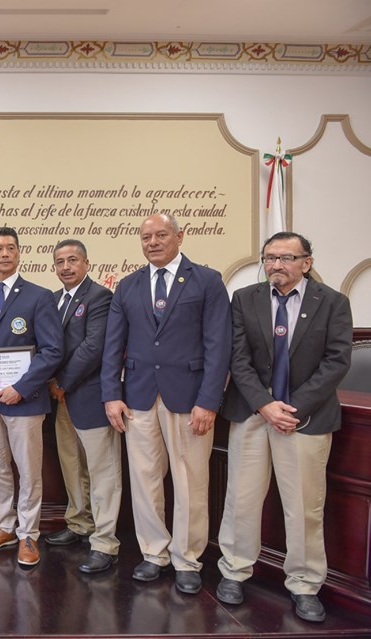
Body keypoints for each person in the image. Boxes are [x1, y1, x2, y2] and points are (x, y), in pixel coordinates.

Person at [216, 232, 352, 623]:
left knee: (304, 507)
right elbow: (237, 358)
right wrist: (265, 404)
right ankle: (234, 570)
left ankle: (305, 585)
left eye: (286, 258)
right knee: (241, 500)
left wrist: (292, 408)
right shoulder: (245, 299)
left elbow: (337, 361)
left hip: (304, 420)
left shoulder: (332, 303)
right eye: (270, 257)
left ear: (306, 262)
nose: (276, 265)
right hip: (252, 414)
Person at [101, 213, 231, 594]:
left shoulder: (206, 280)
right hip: (138, 397)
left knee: (191, 481)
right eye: (146, 237)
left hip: (189, 399)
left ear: (180, 236)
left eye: (161, 235)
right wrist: (111, 394)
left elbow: (219, 345)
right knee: (144, 480)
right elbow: (113, 345)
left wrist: (209, 401)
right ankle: (153, 553)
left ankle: (187, 559)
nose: (153, 242)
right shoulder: (128, 285)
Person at [0, 227, 64, 567]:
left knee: (28, 469)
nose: (4, 253)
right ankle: (5, 526)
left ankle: (28, 534)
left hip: (25, 400)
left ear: (19, 254)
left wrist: (21, 387)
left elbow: (53, 351)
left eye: (10, 248)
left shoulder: (39, 296)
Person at [44, 239, 122, 574]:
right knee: (72, 466)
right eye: (60, 261)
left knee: (103, 472)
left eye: (72, 260)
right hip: (61, 400)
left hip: (89, 397)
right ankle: (79, 524)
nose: (66, 267)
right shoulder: (53, 300)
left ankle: (105, 542)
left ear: (86, 263)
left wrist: (61, 382)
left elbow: (93, 347)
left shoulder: (100, 297)